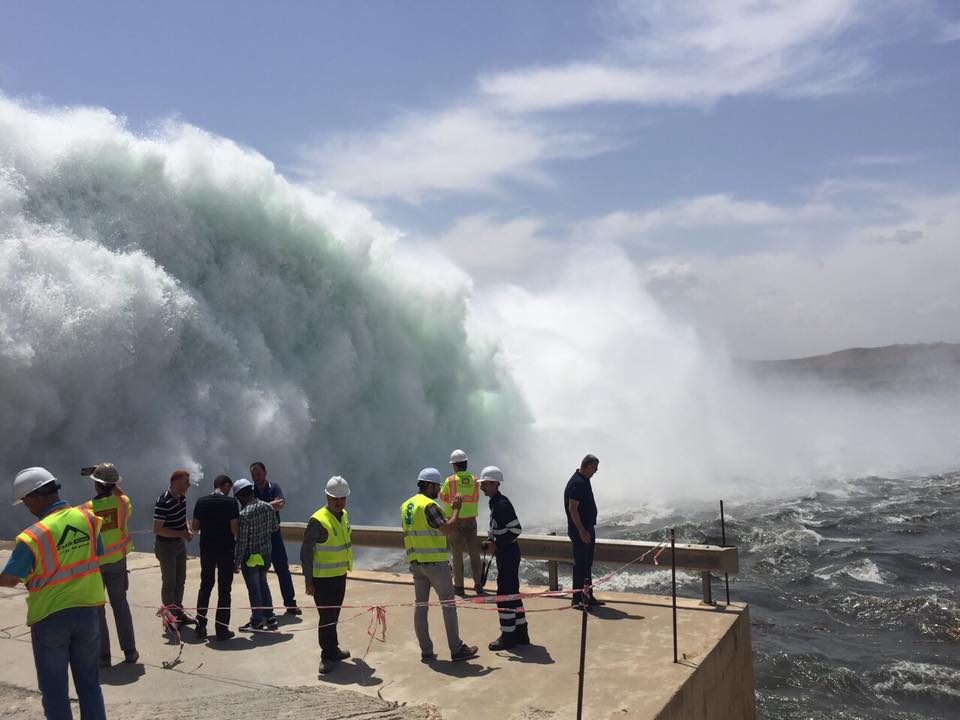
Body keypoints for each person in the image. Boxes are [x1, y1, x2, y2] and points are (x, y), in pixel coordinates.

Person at [1, 467, 107, 720]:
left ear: (36, 496)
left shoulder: (33, 536)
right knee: (90, 684)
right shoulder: (89, 519)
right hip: (88, 612)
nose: (27, 507)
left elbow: (10, 579)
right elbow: (98, 554)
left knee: (55, 690)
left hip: (50, 618)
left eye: (26, 501)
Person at [401, 467, 478, 662]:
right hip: (435, 563)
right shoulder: (429, 506)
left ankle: (426, 651)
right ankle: (456, 649)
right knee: (448, 605)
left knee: (421, 606)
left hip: (416, 563)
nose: (438, 490)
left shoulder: (406, 506)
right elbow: (449, 529)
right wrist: (456, 509)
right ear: (428, 485)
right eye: (436, 486)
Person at [83, 462, 139, 666]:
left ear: (96, 485)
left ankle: (103, 656)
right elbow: (120, 494)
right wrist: (110, 479)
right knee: (120, 605)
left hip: (96, 564)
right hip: (117, 561)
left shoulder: (87, 510)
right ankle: (130, 651)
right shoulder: (123, 503)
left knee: (98, 609)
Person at [299, 476, 353, 674]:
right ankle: (326, 656)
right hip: (323, 579)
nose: (339, 503)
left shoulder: (344, 514)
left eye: (342, 499)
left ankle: (334, 649)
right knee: (326, 617)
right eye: (334, 499)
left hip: (339, 575)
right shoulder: (318, 520)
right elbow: (306, 553)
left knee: (334, 615)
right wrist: (309, 581)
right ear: (327, 497)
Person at [479, 466, 529, 650]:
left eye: (484, 484)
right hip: (507, 553)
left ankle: (508, 637)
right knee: (513, 595)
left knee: (504, 596)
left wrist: (497, 544)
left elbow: (516, 529)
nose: (481, 487)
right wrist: (493, 541)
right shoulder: (495, 502)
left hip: (507, 554)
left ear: (493, 483)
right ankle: (521, 633)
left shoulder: (501, 504)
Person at [191, 474, 239, 641]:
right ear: (225, 485)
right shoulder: (231, 502)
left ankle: (200, 626)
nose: (230, 492)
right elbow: (234, 529)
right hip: (225, 550)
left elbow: (195, 527)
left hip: (207, 550)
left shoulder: (201, 501)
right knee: (224, 590)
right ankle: (221, 630)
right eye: (230, 488)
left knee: (205, 586)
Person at [250, 461, 300, 614]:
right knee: (259, 574)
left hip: (274, 535)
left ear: (265, 473)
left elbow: (281, 504)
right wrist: (269, 505)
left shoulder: (274, 487)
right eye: (253, 475)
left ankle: (290, 603)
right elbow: (247, 511)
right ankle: (263, 609)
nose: (256, 477)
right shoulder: (250, 491)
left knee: (282, 569)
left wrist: (259, 507)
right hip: (258, 538)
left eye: (258, 474)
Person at [233, 478, 279, 631]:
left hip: (251, 558)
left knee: (254, 590)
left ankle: (257, 621)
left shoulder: (244, 514)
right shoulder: (268, 507)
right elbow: (274, 527)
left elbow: (242, 542)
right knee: (263, 584)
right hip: (266, 554)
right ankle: (270, 618)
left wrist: (236, 562)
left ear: (240, 497)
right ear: (252, 491)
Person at [153, 469, 196, 626]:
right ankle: (170, 618)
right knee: (169, 582)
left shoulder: (181, 497)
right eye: (186, 481)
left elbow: (183, 515)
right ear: (176, 482)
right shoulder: (163, 501)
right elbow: (157, 528)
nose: (189, 485)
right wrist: (181, 533)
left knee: (180, 579)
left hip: (179, 544)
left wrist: (188, 529)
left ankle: (178, 612)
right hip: (166, 546)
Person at [438, 448, 484, 595]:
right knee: (474, 554)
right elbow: (476, 498)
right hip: (471, 522)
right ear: (466, 464)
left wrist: (453, 502)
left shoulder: (450, 481)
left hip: (455, 521)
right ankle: (478, 585)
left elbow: (442, 497)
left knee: (457, 555)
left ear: (455, 466)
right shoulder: (476, 481)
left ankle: (459, 587)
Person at [563, 454, 605, 609]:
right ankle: (577, 599)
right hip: (580, 530)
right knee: (581, 565)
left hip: (586, 528)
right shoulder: (577, 483)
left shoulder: (584, 480)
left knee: (587, 564)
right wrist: (581, 530)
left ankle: (587, 596)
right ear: (587, 466)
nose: (596, 471)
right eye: (594, 468)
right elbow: (572, 508)